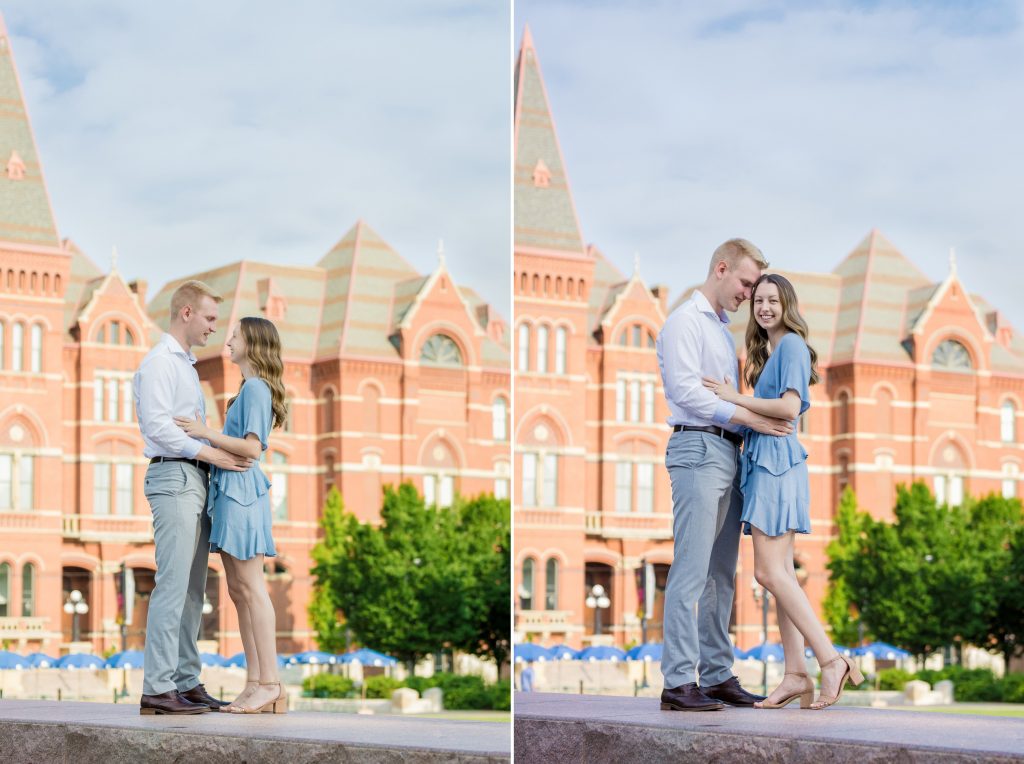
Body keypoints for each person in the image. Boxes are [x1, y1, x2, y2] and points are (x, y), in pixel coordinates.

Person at [703, 273, 864, 709]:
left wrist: (735, 399)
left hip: (776, 462)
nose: (764, 307)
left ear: (787, 305)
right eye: (759, 300)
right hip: (765, 463)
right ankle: (796, 673)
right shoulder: (771, 350)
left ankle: (832, 660)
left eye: (773, 300)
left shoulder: (791, 344)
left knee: (768, 573)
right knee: (783, 577)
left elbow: (790, 408)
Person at [656, 239, 794, 712]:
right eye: (746, 283)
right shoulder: (683, 323)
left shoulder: (719, 330)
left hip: (727, 450)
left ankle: (715, 676)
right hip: (696, 445)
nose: (750, 295)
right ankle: (678, 682)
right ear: (721, 269)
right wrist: (754, 419)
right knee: (691, 568)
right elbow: (686, 393)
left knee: (721, 576)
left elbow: (728, 397)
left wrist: (745, 420)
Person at [134, 280, 253, 715]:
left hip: (194, 478)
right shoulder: (158, 364)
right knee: (172, 584)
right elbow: (159, 427)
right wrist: (212, 454)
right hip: (175, 477)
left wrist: (211, 457)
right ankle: (158, 688)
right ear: (186, 313)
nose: (213, 329)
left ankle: (185, 681)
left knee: (191, 590)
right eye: (208, 318)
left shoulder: (186, 365)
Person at [175, 316, 289, 714]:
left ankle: (270, 682)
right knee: (238, 591)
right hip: (231, 495)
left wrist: (203, 432)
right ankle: (257, 682)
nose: (229, 339)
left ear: (253, 343)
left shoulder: (256, 388)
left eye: (236, 334)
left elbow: (253, 449)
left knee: (251, 589)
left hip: (242, 495)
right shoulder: (248, 389)